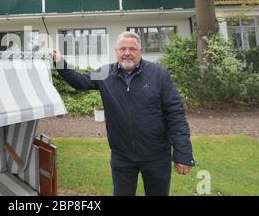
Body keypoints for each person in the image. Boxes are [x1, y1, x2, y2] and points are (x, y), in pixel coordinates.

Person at [49, 31, 194, 196]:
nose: (127, 53)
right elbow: (80, 80)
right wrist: (59, 62)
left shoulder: (159, 74)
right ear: (116, 51)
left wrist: (183, 154)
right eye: (122, 48)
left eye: (132, 49)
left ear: (140, 51)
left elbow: (176, 115)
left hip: (156, 156)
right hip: (122, 156)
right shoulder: (105, 73)